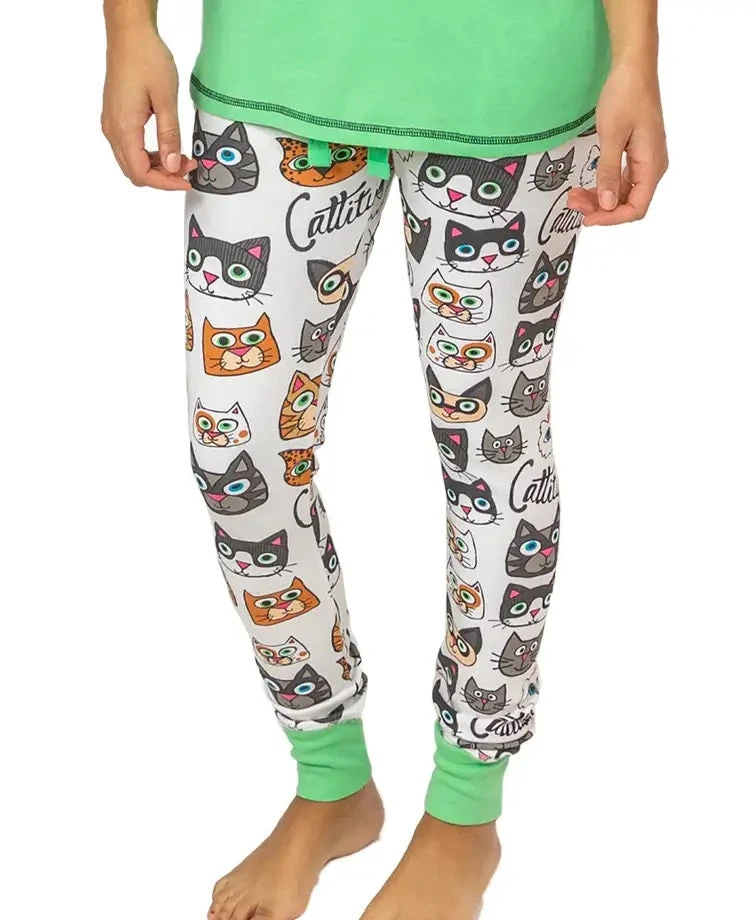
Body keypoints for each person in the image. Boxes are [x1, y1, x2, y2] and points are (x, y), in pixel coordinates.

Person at [102, 1, 668, 918]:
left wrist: (637, 53)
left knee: (493, 456)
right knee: (237, 448)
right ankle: (331, 780)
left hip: (510, 78)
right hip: (275, 69)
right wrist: (130, 28)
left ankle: (466, 809)